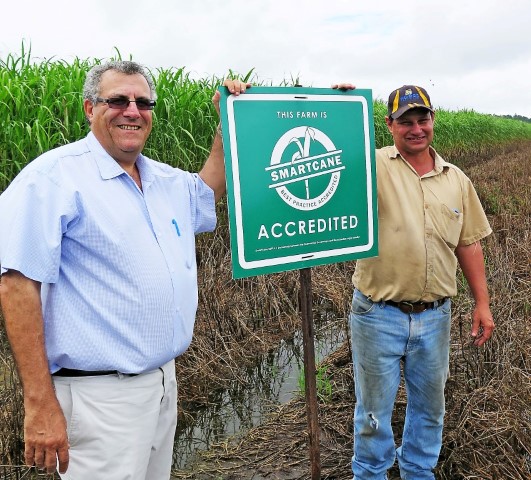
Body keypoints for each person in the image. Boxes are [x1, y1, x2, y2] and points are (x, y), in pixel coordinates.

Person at [0, 60, 250, 480]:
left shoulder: (163, 181)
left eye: (143, 102)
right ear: (89, 108)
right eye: (117, 100)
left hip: (162, 384)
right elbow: (16, 285)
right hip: (98, 399)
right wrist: (40, 402)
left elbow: (209, 186)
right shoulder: (52, 179)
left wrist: (228, 128)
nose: (132, 110)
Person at [333, 84, 495, 479]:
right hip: (377, 313)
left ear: (433, 120)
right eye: (405, 121)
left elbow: (468, 243)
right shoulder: (370, 167)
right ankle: (369, 472)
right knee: (373, 411)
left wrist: (482, 303)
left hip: (435, 316)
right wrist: (337, 108)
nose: (416, 128)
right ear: (389, 125)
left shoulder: (456, 180)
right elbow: (332, 161)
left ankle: (418, 471)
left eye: (422, 119)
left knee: (429, 406)